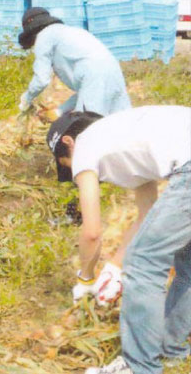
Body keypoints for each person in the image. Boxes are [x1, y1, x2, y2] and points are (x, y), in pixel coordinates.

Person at [46, 106, 191, 374]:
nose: (74, 172)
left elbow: (92, 231)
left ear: (68, 142)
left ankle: (139, 367)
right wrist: (113, 267)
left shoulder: (85, 147)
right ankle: (171, 351)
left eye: (66, 164)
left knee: (143, 265)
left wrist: (86, 279)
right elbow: (147, 214)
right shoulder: (121, 137)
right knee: (187, 264)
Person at [18, 7, 130, 121]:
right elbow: (87, 89)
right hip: (115, 71)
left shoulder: (43, 37)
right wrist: (59, 111)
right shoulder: (72, 32)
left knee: (87, 126)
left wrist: (26, 99)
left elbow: (41, 80)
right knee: (121, 122)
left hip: (94, 76)